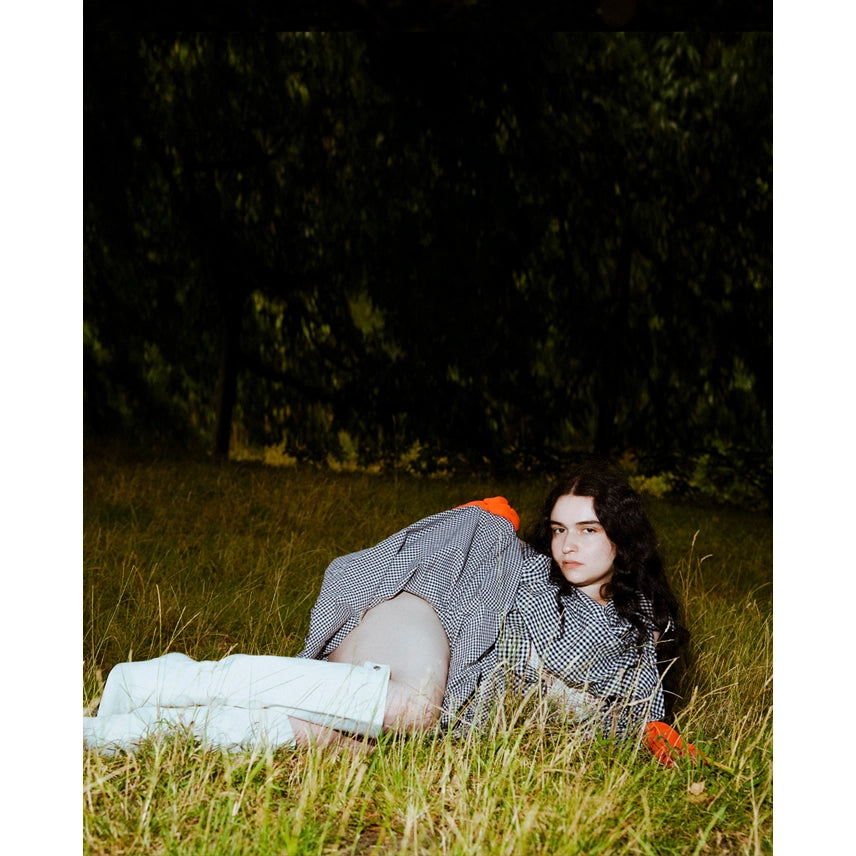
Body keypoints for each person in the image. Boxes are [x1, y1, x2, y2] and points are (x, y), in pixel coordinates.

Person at [83, 465, 696, 762]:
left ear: (622, 538)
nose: (567, 545)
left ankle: (116, 730)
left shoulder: (639, 632)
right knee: (414, 706)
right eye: (560, 528)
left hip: (454, 698)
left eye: (588, 530)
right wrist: (480, 519)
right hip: (426, 619)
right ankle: (173, 679)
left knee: (333, 742)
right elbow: (463, 548)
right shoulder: (528, 569)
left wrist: (647, 730)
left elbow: (629, 713)